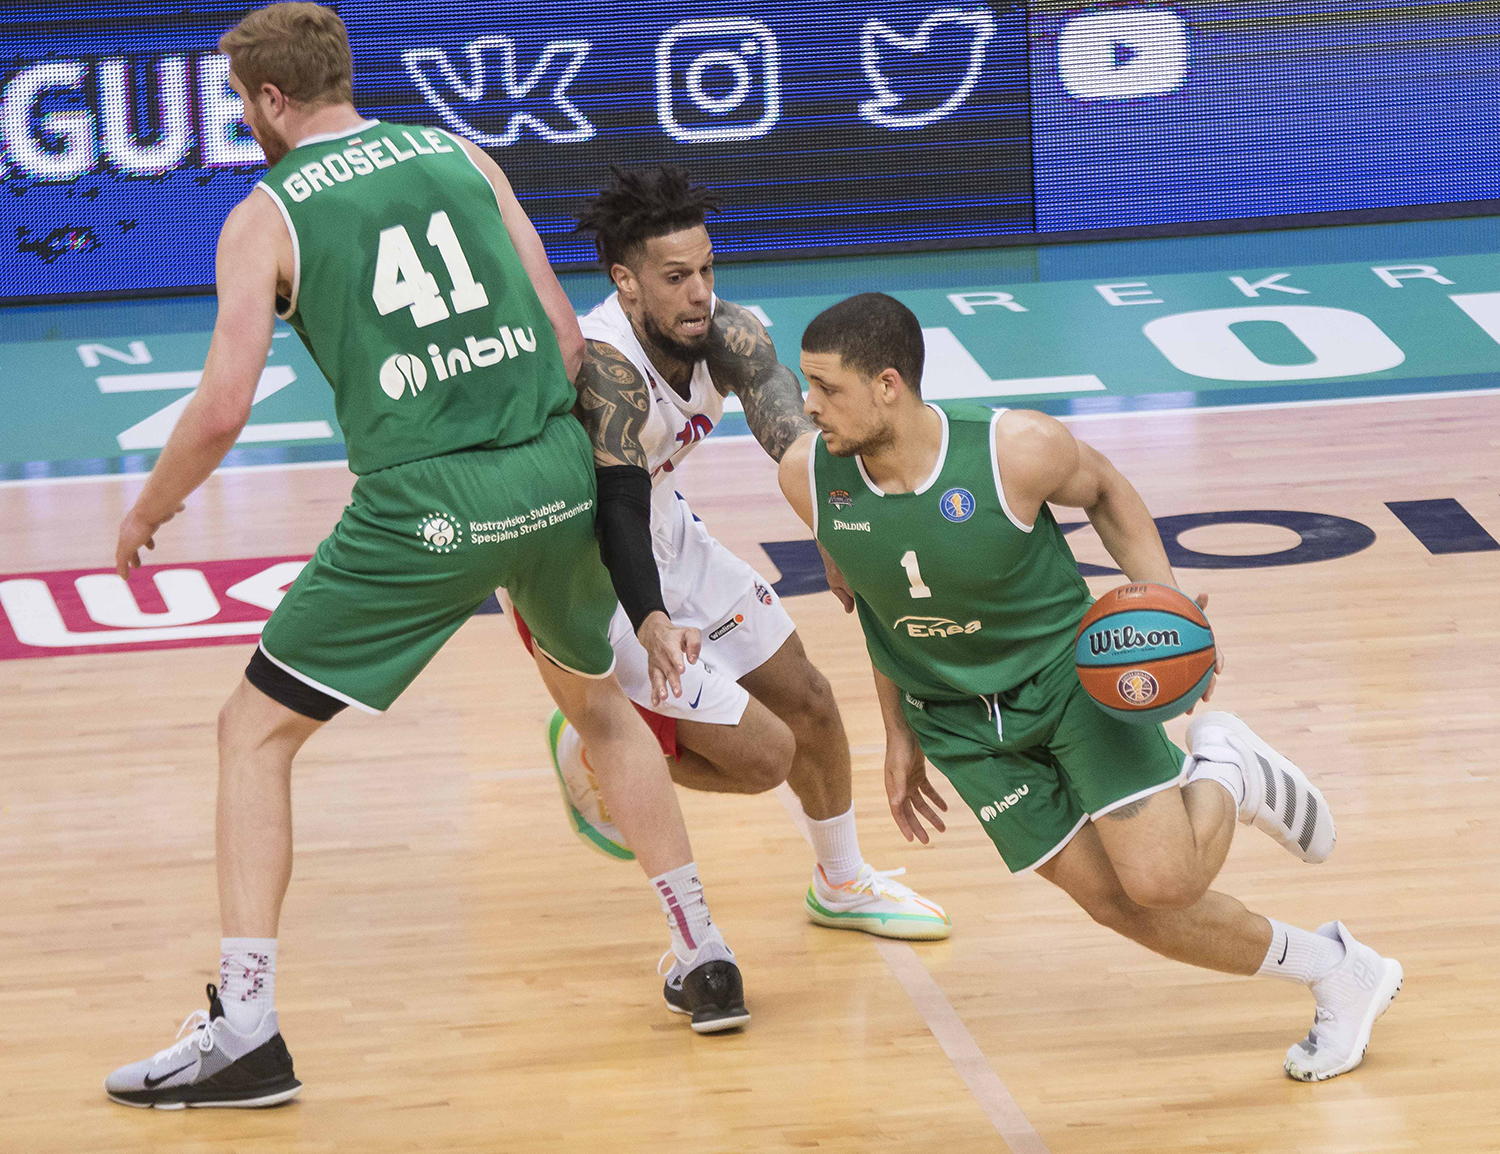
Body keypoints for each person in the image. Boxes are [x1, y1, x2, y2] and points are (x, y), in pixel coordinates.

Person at [103, 5, 748, 1111]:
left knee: (252, 732)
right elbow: (565, 336)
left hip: (427, 506)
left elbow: (220, 409)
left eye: (244, 102)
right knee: (599, 708)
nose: (246, 118)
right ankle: (705, 952)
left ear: (271, 100)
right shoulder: (459, 154)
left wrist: (147, 510)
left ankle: (245, 1028)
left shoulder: (265, 214)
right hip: (552, 473)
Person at [777, 291, 1402, 1082]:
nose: (809, 405)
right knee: (1115, 906)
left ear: (888, 385)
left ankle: (1226, 768)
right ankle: (1339, 971)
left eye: (826, 387)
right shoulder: (808, 477)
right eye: (807, 384)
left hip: (1067, 683)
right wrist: (898, 731)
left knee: (1165, 883)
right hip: (959, 725)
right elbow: (879, 604)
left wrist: (1168, 606)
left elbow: (1104, 488)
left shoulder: (1014, 449)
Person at [520, 168, 948, 940]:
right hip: (586, 566)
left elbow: (792, 433)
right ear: (625, 281)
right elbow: (616, 507)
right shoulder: (607, 366)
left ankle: (842, 884)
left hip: (665, 527)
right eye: (675, 277)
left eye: (707, 269)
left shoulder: (727, 331)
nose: (699, 294)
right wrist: (651, 618)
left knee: (810, 700)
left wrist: (832, 526)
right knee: (765, 758)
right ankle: (596, 740)